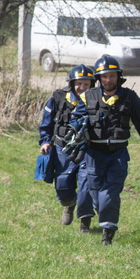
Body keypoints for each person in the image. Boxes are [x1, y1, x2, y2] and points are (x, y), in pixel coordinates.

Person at [72, 55, 140, 245]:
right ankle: (100, 215)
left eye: (112, 76)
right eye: (104, 77)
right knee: (96, 194)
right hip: (93, 154)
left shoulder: (130, 97)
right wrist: (76, 132)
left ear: (118, 76)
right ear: (98, 78)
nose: (108, 80)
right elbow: (73, 121)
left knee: (110, 193)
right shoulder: (88, 97)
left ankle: (108, 233)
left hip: (118, 155)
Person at [38, 64, 96, 232]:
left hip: (87, 150)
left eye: (86, 84)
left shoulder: (98, 99)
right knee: (63, 187)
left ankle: (85, 222)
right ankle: (69, 204)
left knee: (86, 187)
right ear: (71, 83)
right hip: (62, 148)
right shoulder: (58, 97)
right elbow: (46, 122)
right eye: (79, 84)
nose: (82, 88)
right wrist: (45, 141)